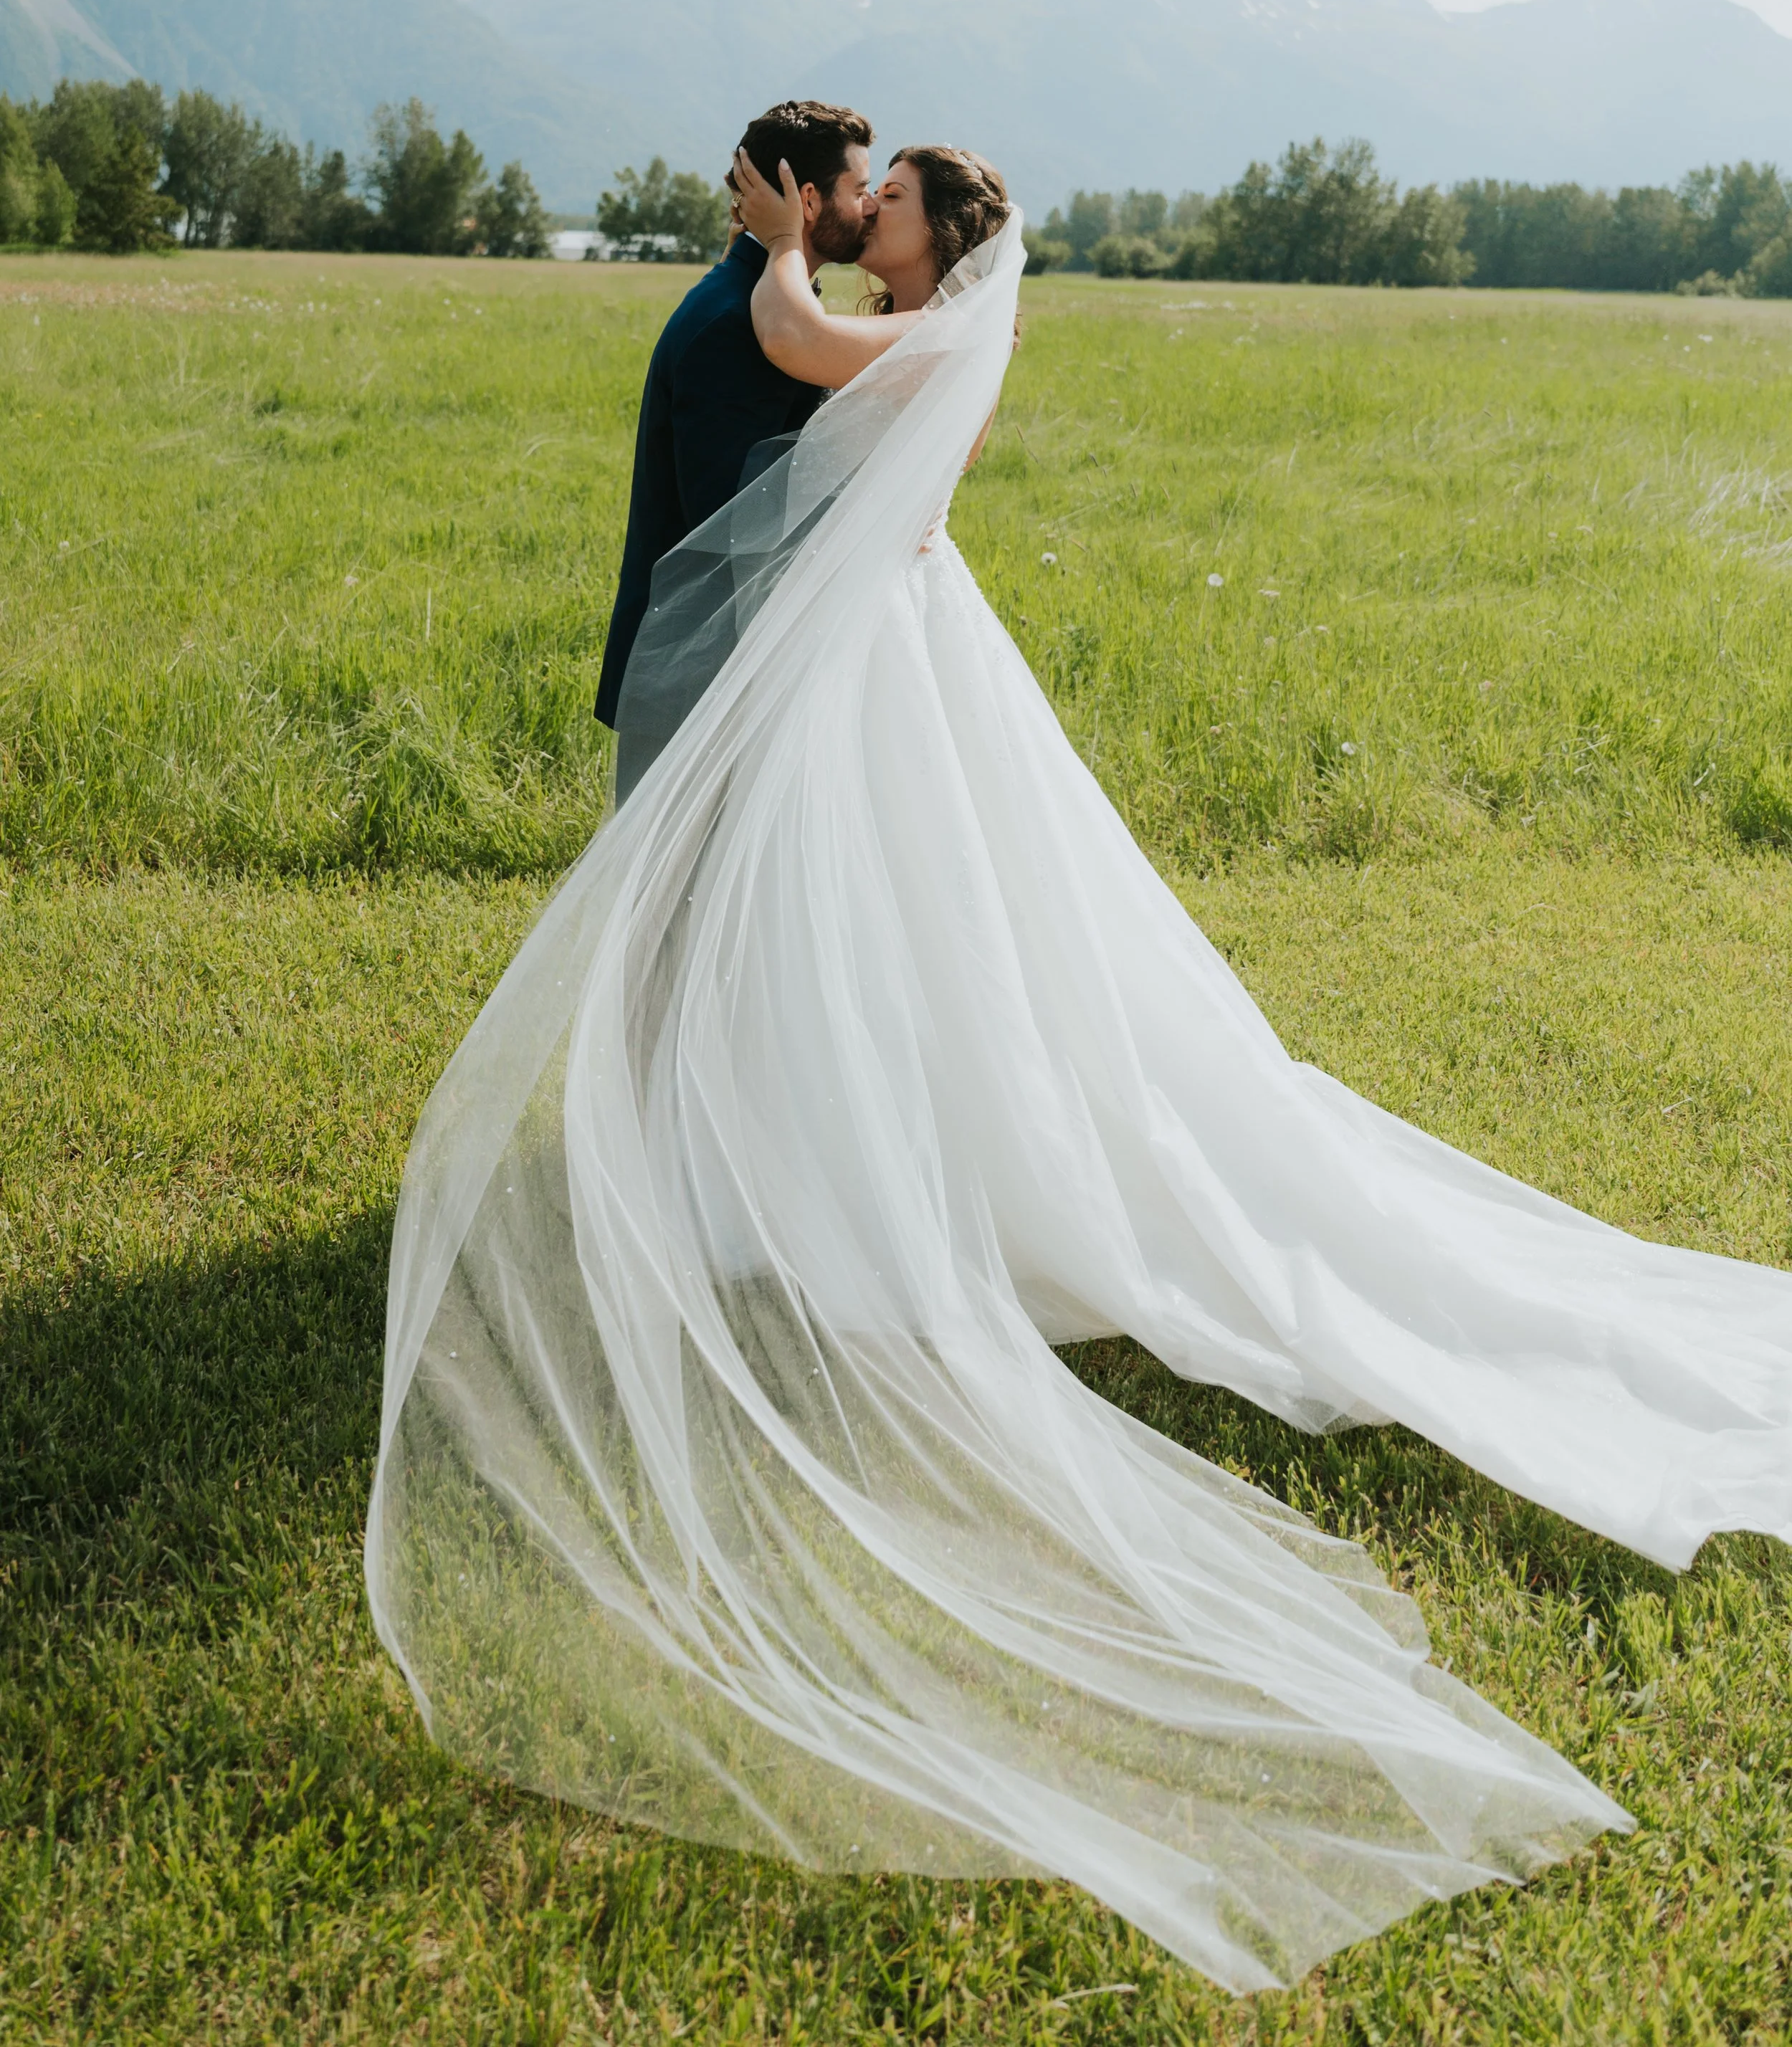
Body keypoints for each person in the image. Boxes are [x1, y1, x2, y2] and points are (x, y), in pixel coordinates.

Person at [368, 148, 1791, 1994]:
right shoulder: (931, 330)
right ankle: (790, 1151)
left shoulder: (900, 333)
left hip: (877, 670)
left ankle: (835, 1182)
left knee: (894, 942)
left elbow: (788, 326)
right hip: (881, 663)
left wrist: (765, 230)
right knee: (895, 950)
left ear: (932, 237)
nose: (855, 214)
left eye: (878, 204)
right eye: (850, 200)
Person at [591, 98, 875, 730]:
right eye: (859, 189)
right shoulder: (733, 323)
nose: (871, 204)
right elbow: (728, 521)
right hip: (700, 672)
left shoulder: (759, 299)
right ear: (808, 199)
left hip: (735, 657)